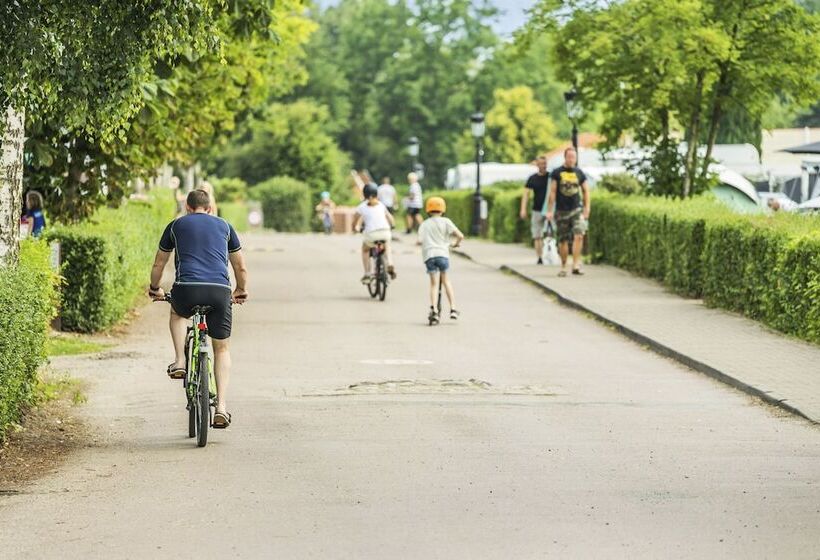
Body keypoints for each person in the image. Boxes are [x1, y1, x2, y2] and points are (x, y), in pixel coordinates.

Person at [148, 189, 248, 429]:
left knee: (177, 313)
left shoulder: (176, 225)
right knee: (222, 348)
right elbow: (240, 266)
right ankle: (221, 407)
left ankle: (180, 361)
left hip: (187, 288)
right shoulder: (225, 226)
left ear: (187, 208)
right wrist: (240, 290)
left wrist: (154, 288)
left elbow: (159, 262)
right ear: (210, 208)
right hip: (219, 291)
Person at [546, 147, 591, 277]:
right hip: (561, 210)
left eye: (574, 157)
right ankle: (564, 265)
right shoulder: (557, 172)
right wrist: (550, 210)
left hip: (576, 209)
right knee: (563, 239)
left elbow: (586, 191)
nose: (572, 159)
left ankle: (576, 264)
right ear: (565, 157)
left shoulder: (579, 173)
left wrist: (587, 208)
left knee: (579, 235)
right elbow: (553, 192)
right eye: (570, 157)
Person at [418, 196, 464, 323]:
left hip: (429, 256)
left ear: (428, 210)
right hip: (443, 255)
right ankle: (453, 309)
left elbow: (419, 240)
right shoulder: (446, 221)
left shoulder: (424, 224)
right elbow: (461, 235)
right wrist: (455, 244)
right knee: (446, 281)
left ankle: (434, 310)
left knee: (433, 284)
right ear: (443, 210)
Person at [353, 183, 396, 283]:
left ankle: (367, 273)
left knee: (365, 250)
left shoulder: (362, 207)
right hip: (385, 232)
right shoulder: (381, 205)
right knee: (387, 245)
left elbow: (355, 220)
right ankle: (390, 262)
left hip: (371, 234)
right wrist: (392, 226)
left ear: (364, 195)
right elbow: (390, 218)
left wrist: (356, 228)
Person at [519, 156, 550, 264]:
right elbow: (526, 194)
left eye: (545, 163)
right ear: (537, 165)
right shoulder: (532, 178)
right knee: (537, 235)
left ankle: (551, 255)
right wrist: (523, 209)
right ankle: (540, 257)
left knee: (551, 233)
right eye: (541, 164)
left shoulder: (551, 177)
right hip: (537, 209)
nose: (543, 166)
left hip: (550, 209)